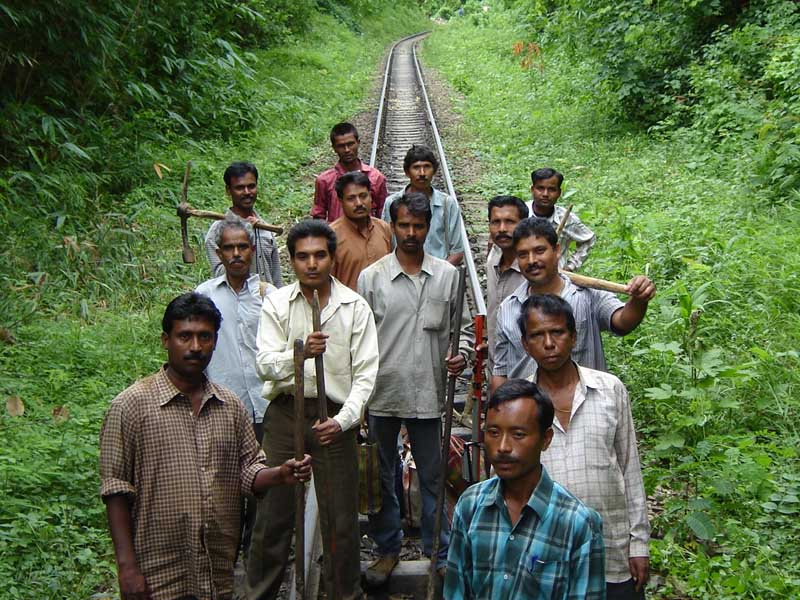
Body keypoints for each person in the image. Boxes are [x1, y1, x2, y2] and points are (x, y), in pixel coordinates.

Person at [99, 293, 311, 600]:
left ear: (215, 341)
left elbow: (247, 470)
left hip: (216, 571)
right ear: (166, 340)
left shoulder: (229, 407)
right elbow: (116, 489)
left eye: (205, 337)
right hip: (158, 572)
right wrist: (127, 568)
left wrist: (279, 474)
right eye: (185, 336)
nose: (195, 347)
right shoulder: (132, 406)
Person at [247, 220, 379, 600]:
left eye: (320, 255)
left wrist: (341, 422)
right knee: (273, 515)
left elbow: (366, 376)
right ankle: (260, 593)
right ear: (291, 261)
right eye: (303, 256)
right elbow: (265, 363)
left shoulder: (354, 308)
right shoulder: (277, 303)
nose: (312, 264)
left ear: (333, 258)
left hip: (333, 417)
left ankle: (344, 594)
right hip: (286, 415)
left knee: (340, 521)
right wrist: (300, 354)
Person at [357, 192, 473, 586]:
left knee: (433, 475)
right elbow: (361, 341)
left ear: (428, 229)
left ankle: (438, 551)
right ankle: (386, 549)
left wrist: (460, 355)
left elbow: (461, 331)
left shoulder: (447, 275)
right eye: (403, 225)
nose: (410, 233)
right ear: (393, 227)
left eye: (418, 226)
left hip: (428, 393)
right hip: (382, 394)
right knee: (380, 475)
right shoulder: (372, 278)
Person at [519, 294, 650, 598]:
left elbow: (630, 470)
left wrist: (639, 543)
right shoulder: (522, 404)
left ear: (574, 336)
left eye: (558, 332)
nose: (549, 343)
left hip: (612, 551)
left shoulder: (609, 389)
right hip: (546, 555)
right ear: (525, 345)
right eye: (537, 335)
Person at [444, 379, 605, 599]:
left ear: (546, 439)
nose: (503, 447)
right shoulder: (470, 506)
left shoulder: (577, 523)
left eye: (518, 435)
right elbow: (456, 591)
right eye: (493, 432)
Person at [492, 218, 656, 391]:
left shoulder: (587, 294)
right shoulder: (508, 308)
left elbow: (623, 322)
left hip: (587, 407)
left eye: (539, 251)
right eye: (523, 254)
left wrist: (639, 299)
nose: (532, 260)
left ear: (556, 251)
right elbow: (501, 372)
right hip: (530, 413)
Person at [196, 218, 275, 556]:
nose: (237, 254)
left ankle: (255, 547)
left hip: (265, 402)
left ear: (252, 250)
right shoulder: (204, 297)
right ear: (219, 253)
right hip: (222, 404)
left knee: (262, 477)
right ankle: (226, 546)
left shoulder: (270, 296)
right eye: (229, 248)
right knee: (225, 478)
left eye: (243, 247)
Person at [381, 145, 465, 265]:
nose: (422, 173)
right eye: (416, 168)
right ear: (407, 172)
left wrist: (440, 275)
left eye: (427, 167)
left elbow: (457, 251)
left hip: (438, 274)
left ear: (434, 170)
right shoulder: (392, 203)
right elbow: (385, 245)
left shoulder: (447, 204)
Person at [205, 161, 283, 286]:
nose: (247, 192)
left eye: (251, 186)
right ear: (228, 190)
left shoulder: (266, 229)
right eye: (239, 188)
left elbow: (276, 276)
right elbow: (219, 276)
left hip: (268, 302)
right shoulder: (217, 232)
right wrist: (245, 235)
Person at [312, 122, 388, 222]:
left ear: (358, 143)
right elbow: (318, 215)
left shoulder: (376, 177)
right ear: (334, 148)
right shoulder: (324, 180)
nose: (347, 150)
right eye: (341, 146)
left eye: (350, 144)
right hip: (336, 236)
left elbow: (382, 213)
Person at [485, 195, 529, 368]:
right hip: (496, 366)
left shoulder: (535, 269)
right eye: (495, 222)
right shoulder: (493, 258)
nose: (502, 229)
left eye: (510, 222)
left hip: (526, 370)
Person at [330, 170, 392, 290]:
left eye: (363, 196)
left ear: (370, 196)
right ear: (341, 201)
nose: (358, 203)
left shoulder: (384, 229)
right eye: (351, 198)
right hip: (348, 307)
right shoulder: (331, 236)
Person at [526, 167, 595, 272]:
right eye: (540, 188)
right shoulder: (520, 214)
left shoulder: (567, 219)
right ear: (532, 190)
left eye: (551, 189)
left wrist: (571, 266)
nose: (545, 194)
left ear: (559, 193)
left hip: (556, 280)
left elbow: (589, 239)